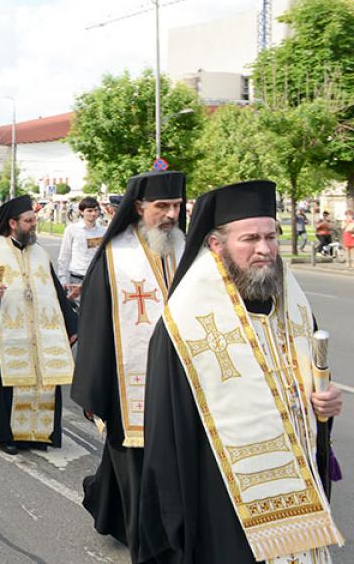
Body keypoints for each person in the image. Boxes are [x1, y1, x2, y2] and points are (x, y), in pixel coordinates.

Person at [139, 180, 344, 563]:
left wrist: (324, 403)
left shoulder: (292, 301)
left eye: (271, 236)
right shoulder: (184, 319)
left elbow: (310, 385)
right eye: (249, 238)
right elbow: (168, 433)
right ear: (217, 245)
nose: (265, 249)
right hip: (222, 494)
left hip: (296, 495)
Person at [70, 171, 185, 559]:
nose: (171, 214)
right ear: (139, 207)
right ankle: (152, 550)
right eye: (162, 206)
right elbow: (96, 324)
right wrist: (92, 388)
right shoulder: (115, 257)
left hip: (181, 384)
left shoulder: (186, 250)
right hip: (129, 387)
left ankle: (116, 514)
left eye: (176, 205)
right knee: (137, 473)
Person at [0, 195, 77, 454]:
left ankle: (38, 435)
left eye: (34, 220)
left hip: (40, 334)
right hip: (8, 333)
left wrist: (72, 325)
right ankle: (8, 436)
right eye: (28, 221)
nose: (33, 225)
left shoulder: (39, 252)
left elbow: (55, 292)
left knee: (42, 381)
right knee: (10, 384)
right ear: (13, 223)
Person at [56, 196, 106, 300]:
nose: (93, 214)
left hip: (96, 277)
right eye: (89, 211)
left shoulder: (103, 231)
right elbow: (65, 254)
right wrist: (63, 278)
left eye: (96, 210)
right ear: (81, 211)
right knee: (79, 310)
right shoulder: (72, 230)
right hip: (77, 277)